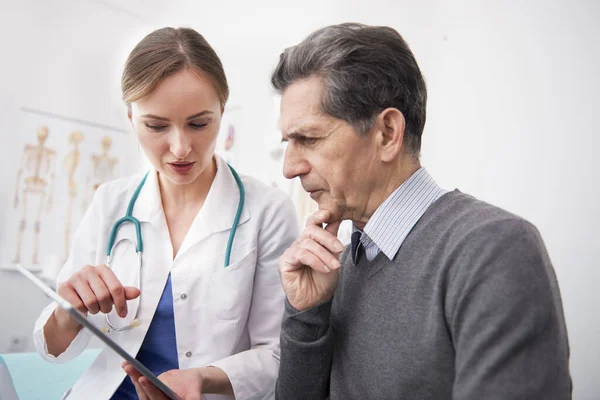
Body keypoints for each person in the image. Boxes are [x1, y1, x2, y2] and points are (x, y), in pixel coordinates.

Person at [272, 23, 571, 399]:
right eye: (288, 142)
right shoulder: (339, 266)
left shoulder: (495, 251)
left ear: (387, 134)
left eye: (309, 139)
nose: (289, 167)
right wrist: (307, 315)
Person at [33, 27, 298, 400]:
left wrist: (203, 378)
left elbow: (276, 353)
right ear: (130, 117)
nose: (180, 148)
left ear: (222, 110)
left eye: (199, 123)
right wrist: (67, 311)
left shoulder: (268, 212)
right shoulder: (111, 202)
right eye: (156, 126)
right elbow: (53, 348)